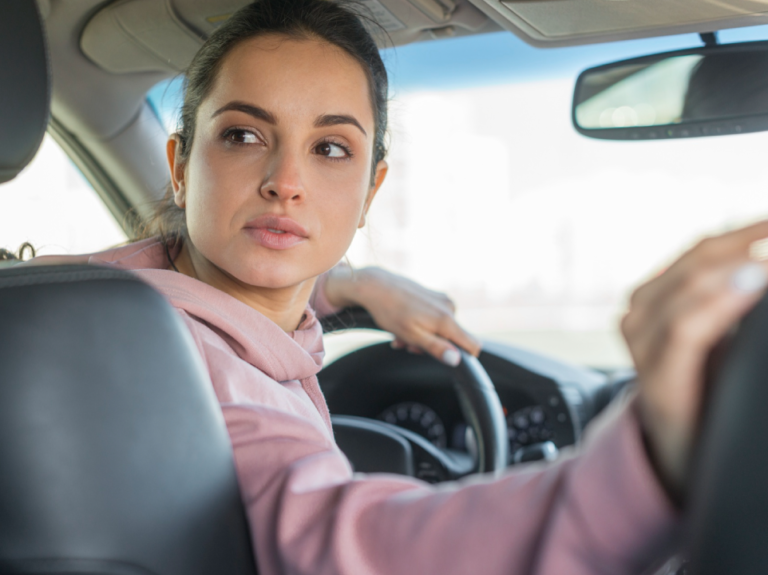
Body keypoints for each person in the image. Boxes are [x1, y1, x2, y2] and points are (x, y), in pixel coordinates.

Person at [27, 1, 768, 573]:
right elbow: (349, 542)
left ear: (370, 187)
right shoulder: (192, 379)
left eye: (330, 148)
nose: (286, 183)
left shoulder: (65, 303)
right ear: (182, 164)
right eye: (244, 135)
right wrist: (646, 466)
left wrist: (350, 285)